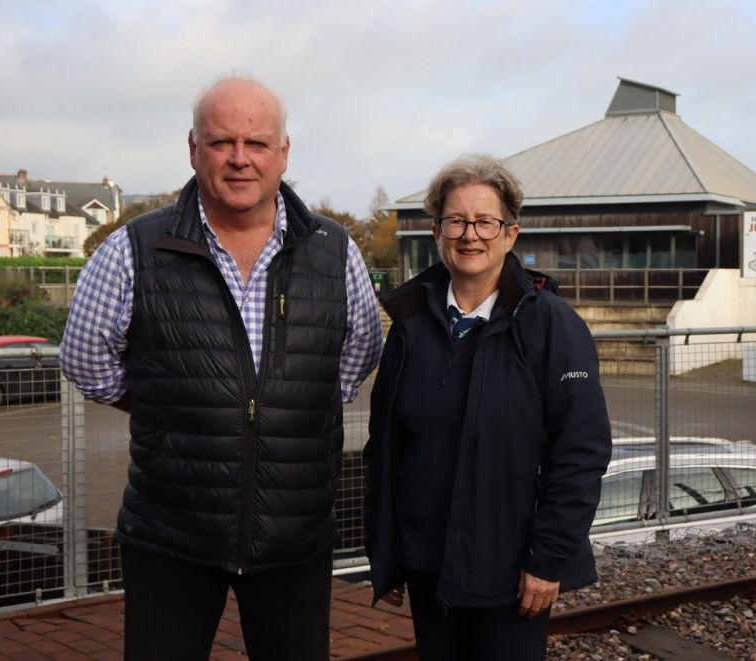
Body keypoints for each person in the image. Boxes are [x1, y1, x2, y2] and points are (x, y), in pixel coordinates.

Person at [60, 76, 383, 661]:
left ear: (283, 153)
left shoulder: (335, 251)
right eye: (221, 142)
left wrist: (283, 401)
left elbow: (358, 352)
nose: (240, 159)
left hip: (294, 535)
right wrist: (166, 400)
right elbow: (84, 360)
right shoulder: (133, 248)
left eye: (257, 143)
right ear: (193, 148)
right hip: (170, 536)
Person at [363, 154, 612, 660]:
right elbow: (385, 449)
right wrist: (388, 556)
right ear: (437, 231)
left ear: (510, 234)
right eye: (455, 220)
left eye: (484, 222)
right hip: (429, 569)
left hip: (512, 575)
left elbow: (580, 451)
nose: (469, 234)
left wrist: (549, 559)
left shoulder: (551, 327)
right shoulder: (410, 328)